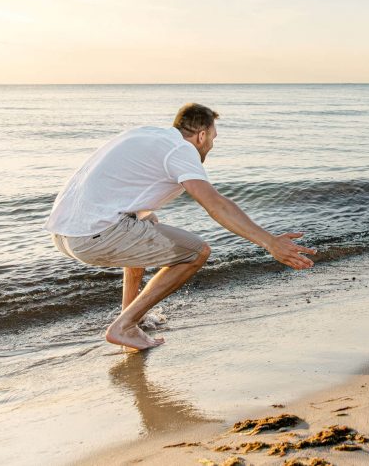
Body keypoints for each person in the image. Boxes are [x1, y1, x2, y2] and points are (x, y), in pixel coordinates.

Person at [43, 103, 316, 351]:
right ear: (201, 135)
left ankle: (131, 315)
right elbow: (214, 204)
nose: (211, 145)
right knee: (196, 252)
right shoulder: (181, 150)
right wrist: (270, 242)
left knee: (147, 221)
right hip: (93, 236)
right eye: (212, 138)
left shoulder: (145, 134)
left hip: (63, 233)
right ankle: (123, 327)